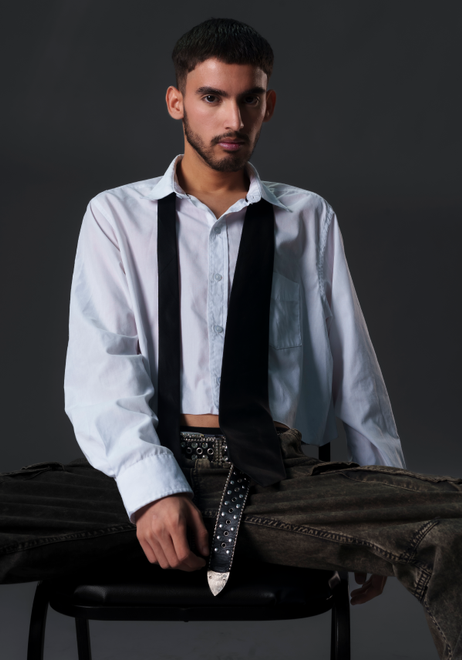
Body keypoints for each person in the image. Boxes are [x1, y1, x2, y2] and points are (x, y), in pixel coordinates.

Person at [0, 17, 461, 659]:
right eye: (212, 97)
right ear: (177, 101)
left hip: (281, 479)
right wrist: (153, 488)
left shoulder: (307, 218)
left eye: (250, 99)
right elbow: (101, 368)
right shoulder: (116, 217)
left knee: (453, 520)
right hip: (141, 467)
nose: (233, 119)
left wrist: (381, 495)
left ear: (268, 104)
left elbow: (355, 373)